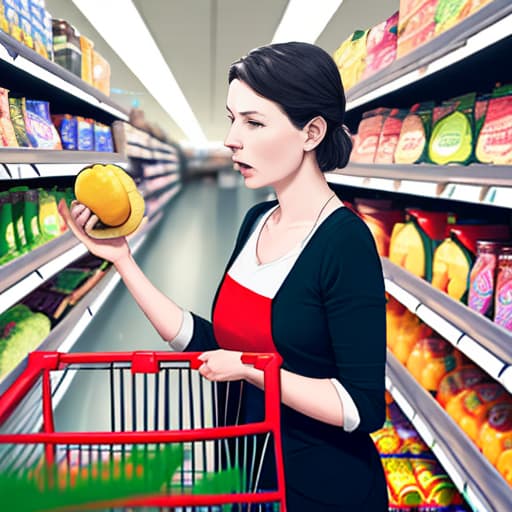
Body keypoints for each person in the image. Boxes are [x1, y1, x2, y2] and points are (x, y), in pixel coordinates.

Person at [59, 42, 388, 511]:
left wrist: (251, 371)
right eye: (232, 119)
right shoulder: (256, 220)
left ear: (311, 132)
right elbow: (219, 342)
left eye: (254, 122)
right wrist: (123, 261)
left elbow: (361, 407)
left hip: (320, 488)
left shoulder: (345, 243)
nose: (232, 138)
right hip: (249, 473)